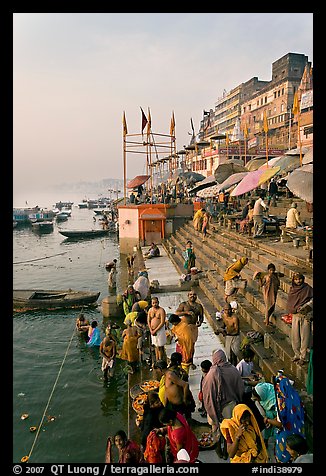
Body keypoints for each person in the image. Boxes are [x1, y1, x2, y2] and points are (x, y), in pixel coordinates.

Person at [202, 349, 245, 459]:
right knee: (229, 430)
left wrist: (210, 408)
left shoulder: (211, 373)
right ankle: (228, 452)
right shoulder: (233, 370)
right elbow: (240, 389)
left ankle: (219, 452)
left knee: (215, 430)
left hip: (214, 407)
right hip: (230, 406)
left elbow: (206, 393)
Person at [265, 371, 305, 463]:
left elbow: (280, 423)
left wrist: (268, 420)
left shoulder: (282, 404)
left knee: (286, 451)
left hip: (287, 434)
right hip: (298, 430)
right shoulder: (295, 397)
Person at [286, 272, 313, 365]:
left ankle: (304, 357)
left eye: (300, 279)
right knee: (295, 337)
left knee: (305, 337)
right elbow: (290, 303)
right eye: (296, 279)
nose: (298, 281)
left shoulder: (308, 289)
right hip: (295, 316)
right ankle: (297, 355)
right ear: (293, 280)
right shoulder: (292, 289)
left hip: (305, 316)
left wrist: (305, 307)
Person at [252, 382, 278, 449]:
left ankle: (276, 444)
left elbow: (280, 415)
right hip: (269, 416)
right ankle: (265, 441)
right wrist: (265, 418)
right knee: (267, 430)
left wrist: (271, 420)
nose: (258, 400)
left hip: (276, 417)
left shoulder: (274, 400)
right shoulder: (262, 395)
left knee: (276, 431)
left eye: (258, 399)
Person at [147, 296, 167, 363]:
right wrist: (151, 330)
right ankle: (157, 359)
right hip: (152, 330)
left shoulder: (161, 310)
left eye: (156, 302)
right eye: (153, 303)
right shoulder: (150, 310)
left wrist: (155, 330)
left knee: (160, 346)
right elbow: (148, 320)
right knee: (155, 346)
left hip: (160, 330)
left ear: (158, 303)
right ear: (151, 303)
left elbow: (162, 322)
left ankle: (161, 360)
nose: (155, 304)